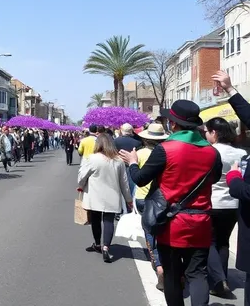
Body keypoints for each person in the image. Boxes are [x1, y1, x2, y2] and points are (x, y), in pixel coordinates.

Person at [120, 100, 222, 306]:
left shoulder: (166, 149)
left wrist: (132, 162)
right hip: (201, 221)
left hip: (171, 223)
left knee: (173, 275)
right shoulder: (212, 152)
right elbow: (216, 177)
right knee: (198, 274)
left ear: (174, 125)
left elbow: (140, 178)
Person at [203, 117, 245, 298]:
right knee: (223, 241)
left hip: (213, 201)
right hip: (233, 203)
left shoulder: (209, 151)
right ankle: (222, 279)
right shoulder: (241, 153)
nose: (205, 134)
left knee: (209, 240)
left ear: (214, 133)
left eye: (207, 131)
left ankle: (219, 279)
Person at [77, 134, 132, 263]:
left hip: (95, 195)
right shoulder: (118, 161)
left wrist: (80, 185)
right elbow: (124, 182)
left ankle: (97, 244)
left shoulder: (92, 158)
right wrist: (128, 199)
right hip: (112, 196)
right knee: (109, 221)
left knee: (95, 219)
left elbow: (82, 176)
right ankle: (106, 246)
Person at [133, 123, 169, 292]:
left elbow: (135, 177)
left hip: (142, 198)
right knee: (163, 232)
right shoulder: (166, 152)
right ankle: (168, 265)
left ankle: (159, 266)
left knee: (149, 232)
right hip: (162, 198)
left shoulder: (139, 153)